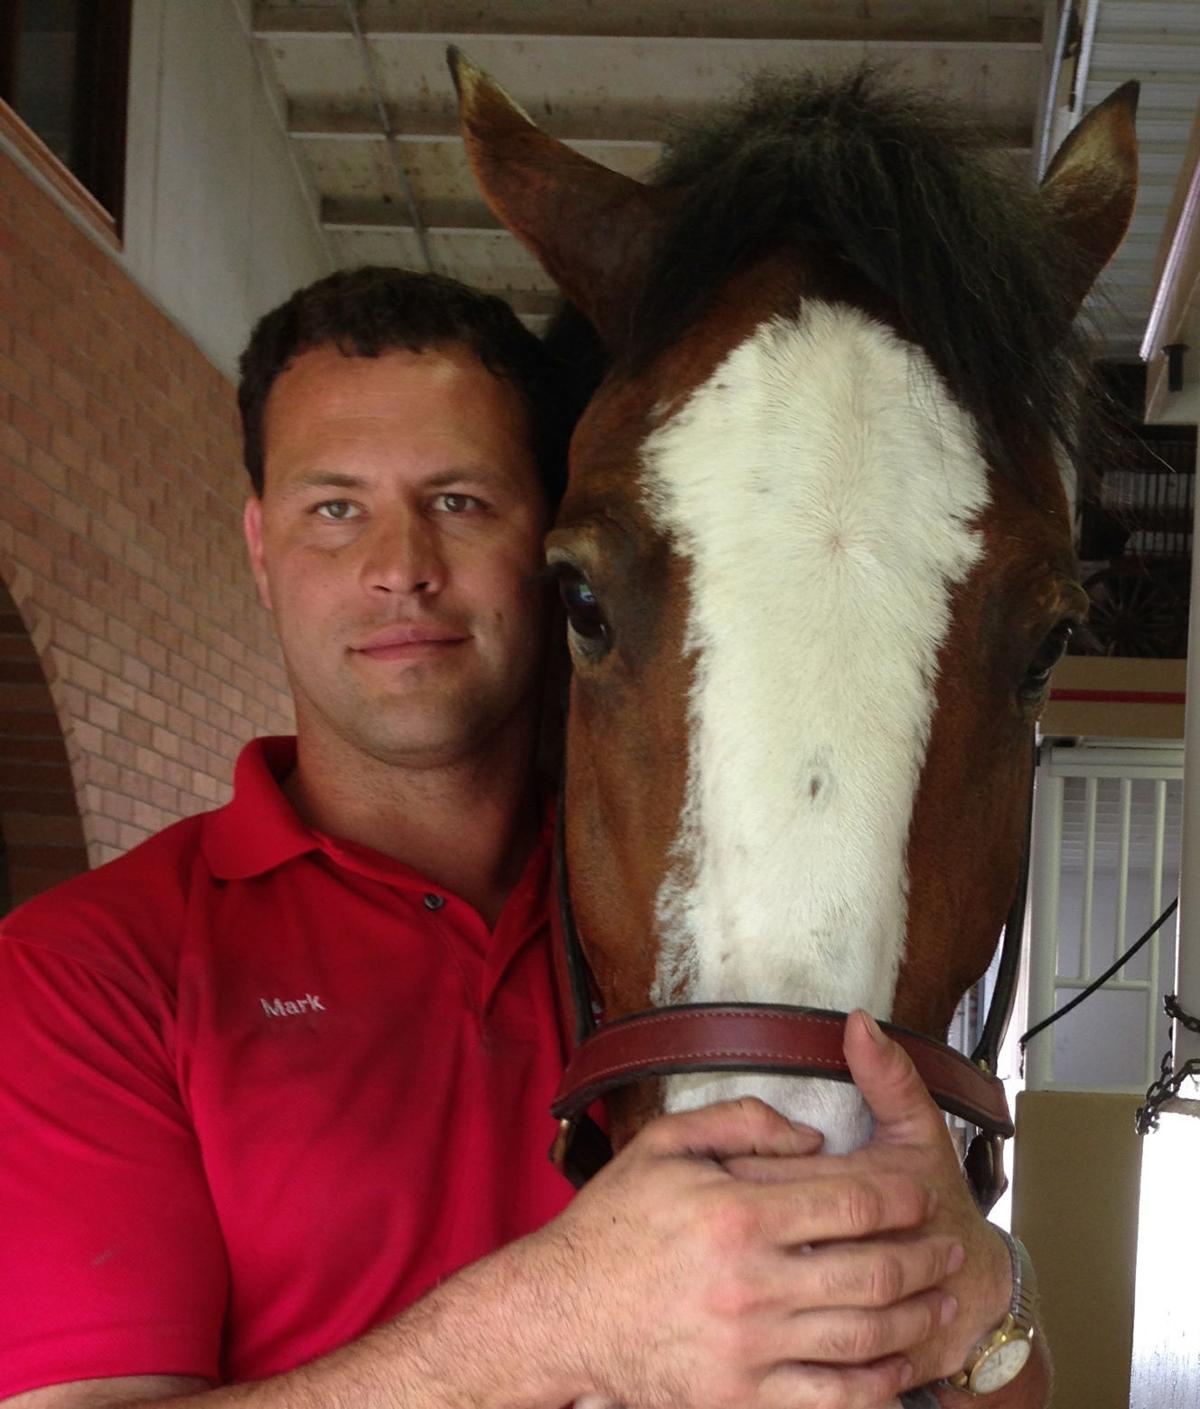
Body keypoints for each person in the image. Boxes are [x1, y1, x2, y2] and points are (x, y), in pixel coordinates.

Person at [0, 267, 1045, 1409]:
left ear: (551, 537)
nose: (399, 564)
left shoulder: (718, 922)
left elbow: (979, 1383)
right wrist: (559, 1320)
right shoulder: (87, 972)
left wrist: (990, 1294)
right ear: (260, 546)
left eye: (460, 500)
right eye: (334, 506)